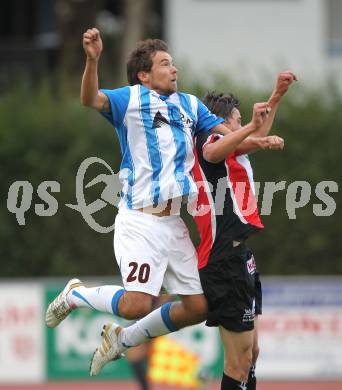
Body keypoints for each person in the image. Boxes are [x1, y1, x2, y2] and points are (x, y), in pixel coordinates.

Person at [45, 28, 270, 376]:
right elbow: (90, 99)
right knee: (136, 304)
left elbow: (227, 140)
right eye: (165, 64)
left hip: (172, 222)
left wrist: (256, 134)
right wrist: (92, 61)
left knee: (198, 307)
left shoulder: (190, 105)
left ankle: (121, 340)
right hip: (140, 219)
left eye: (174, 63)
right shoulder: (131, 99)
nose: (174, 69)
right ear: (144, 75)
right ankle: (75, 294)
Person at [192, 71, 297, 390]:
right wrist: (254, 131)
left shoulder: (232, 144)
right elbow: (218, 149)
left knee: (251, 353)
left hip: (239, 256)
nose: (241, 128)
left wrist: (276, 96)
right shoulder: (209, 141)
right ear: (221, 122)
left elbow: (254, 135)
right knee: (237, 364)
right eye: (237, 122)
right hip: (223, 259)